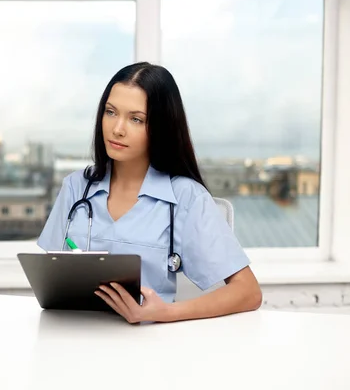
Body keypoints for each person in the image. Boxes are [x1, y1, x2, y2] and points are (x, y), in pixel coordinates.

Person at [38, 62, 263, 324]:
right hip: (73, 337)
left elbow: (248, 292)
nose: (117, 128)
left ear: (161, 127)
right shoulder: (76, 187)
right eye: (111, 112)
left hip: (149, 344)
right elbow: (51, 277)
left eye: (136, 119)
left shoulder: (186, 198)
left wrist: (165, 313)